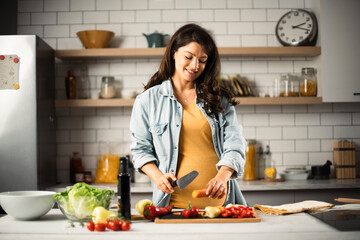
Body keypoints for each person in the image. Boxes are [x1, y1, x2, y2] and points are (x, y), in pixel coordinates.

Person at [130, 23, 247, 208]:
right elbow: (140, 151)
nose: (195, 65)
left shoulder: (219, 100)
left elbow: (235, 143)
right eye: (188, 57)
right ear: (173, 53)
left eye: (202, 60)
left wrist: (222, 177)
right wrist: (159, 177)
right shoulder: (147, 101)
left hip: (223, 207)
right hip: (171, 207)